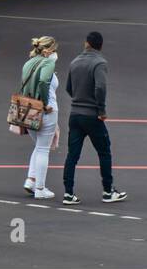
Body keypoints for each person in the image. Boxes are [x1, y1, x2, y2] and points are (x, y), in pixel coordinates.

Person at [62, 31, 128, 205]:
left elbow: (69, 88)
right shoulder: (100, 63)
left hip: (75, 114)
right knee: (104, 152)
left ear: (86, 44)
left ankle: (68, 193)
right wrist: (101, 109)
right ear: (101, 46)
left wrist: (78, 99)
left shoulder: (74, 62)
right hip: (91, 115)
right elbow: (100, 87)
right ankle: (108, 191)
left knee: (72, 155)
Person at [20, 35, 60, 200]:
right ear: (48, 50)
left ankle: (31, 180)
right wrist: (44, 103)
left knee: (38, 146)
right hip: (45, 109)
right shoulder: (48, 63)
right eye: (54, 50)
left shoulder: (29, 63)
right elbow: (43, 82)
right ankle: (40, 188)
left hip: (29, 108)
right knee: (44, 149)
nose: (56, 54)